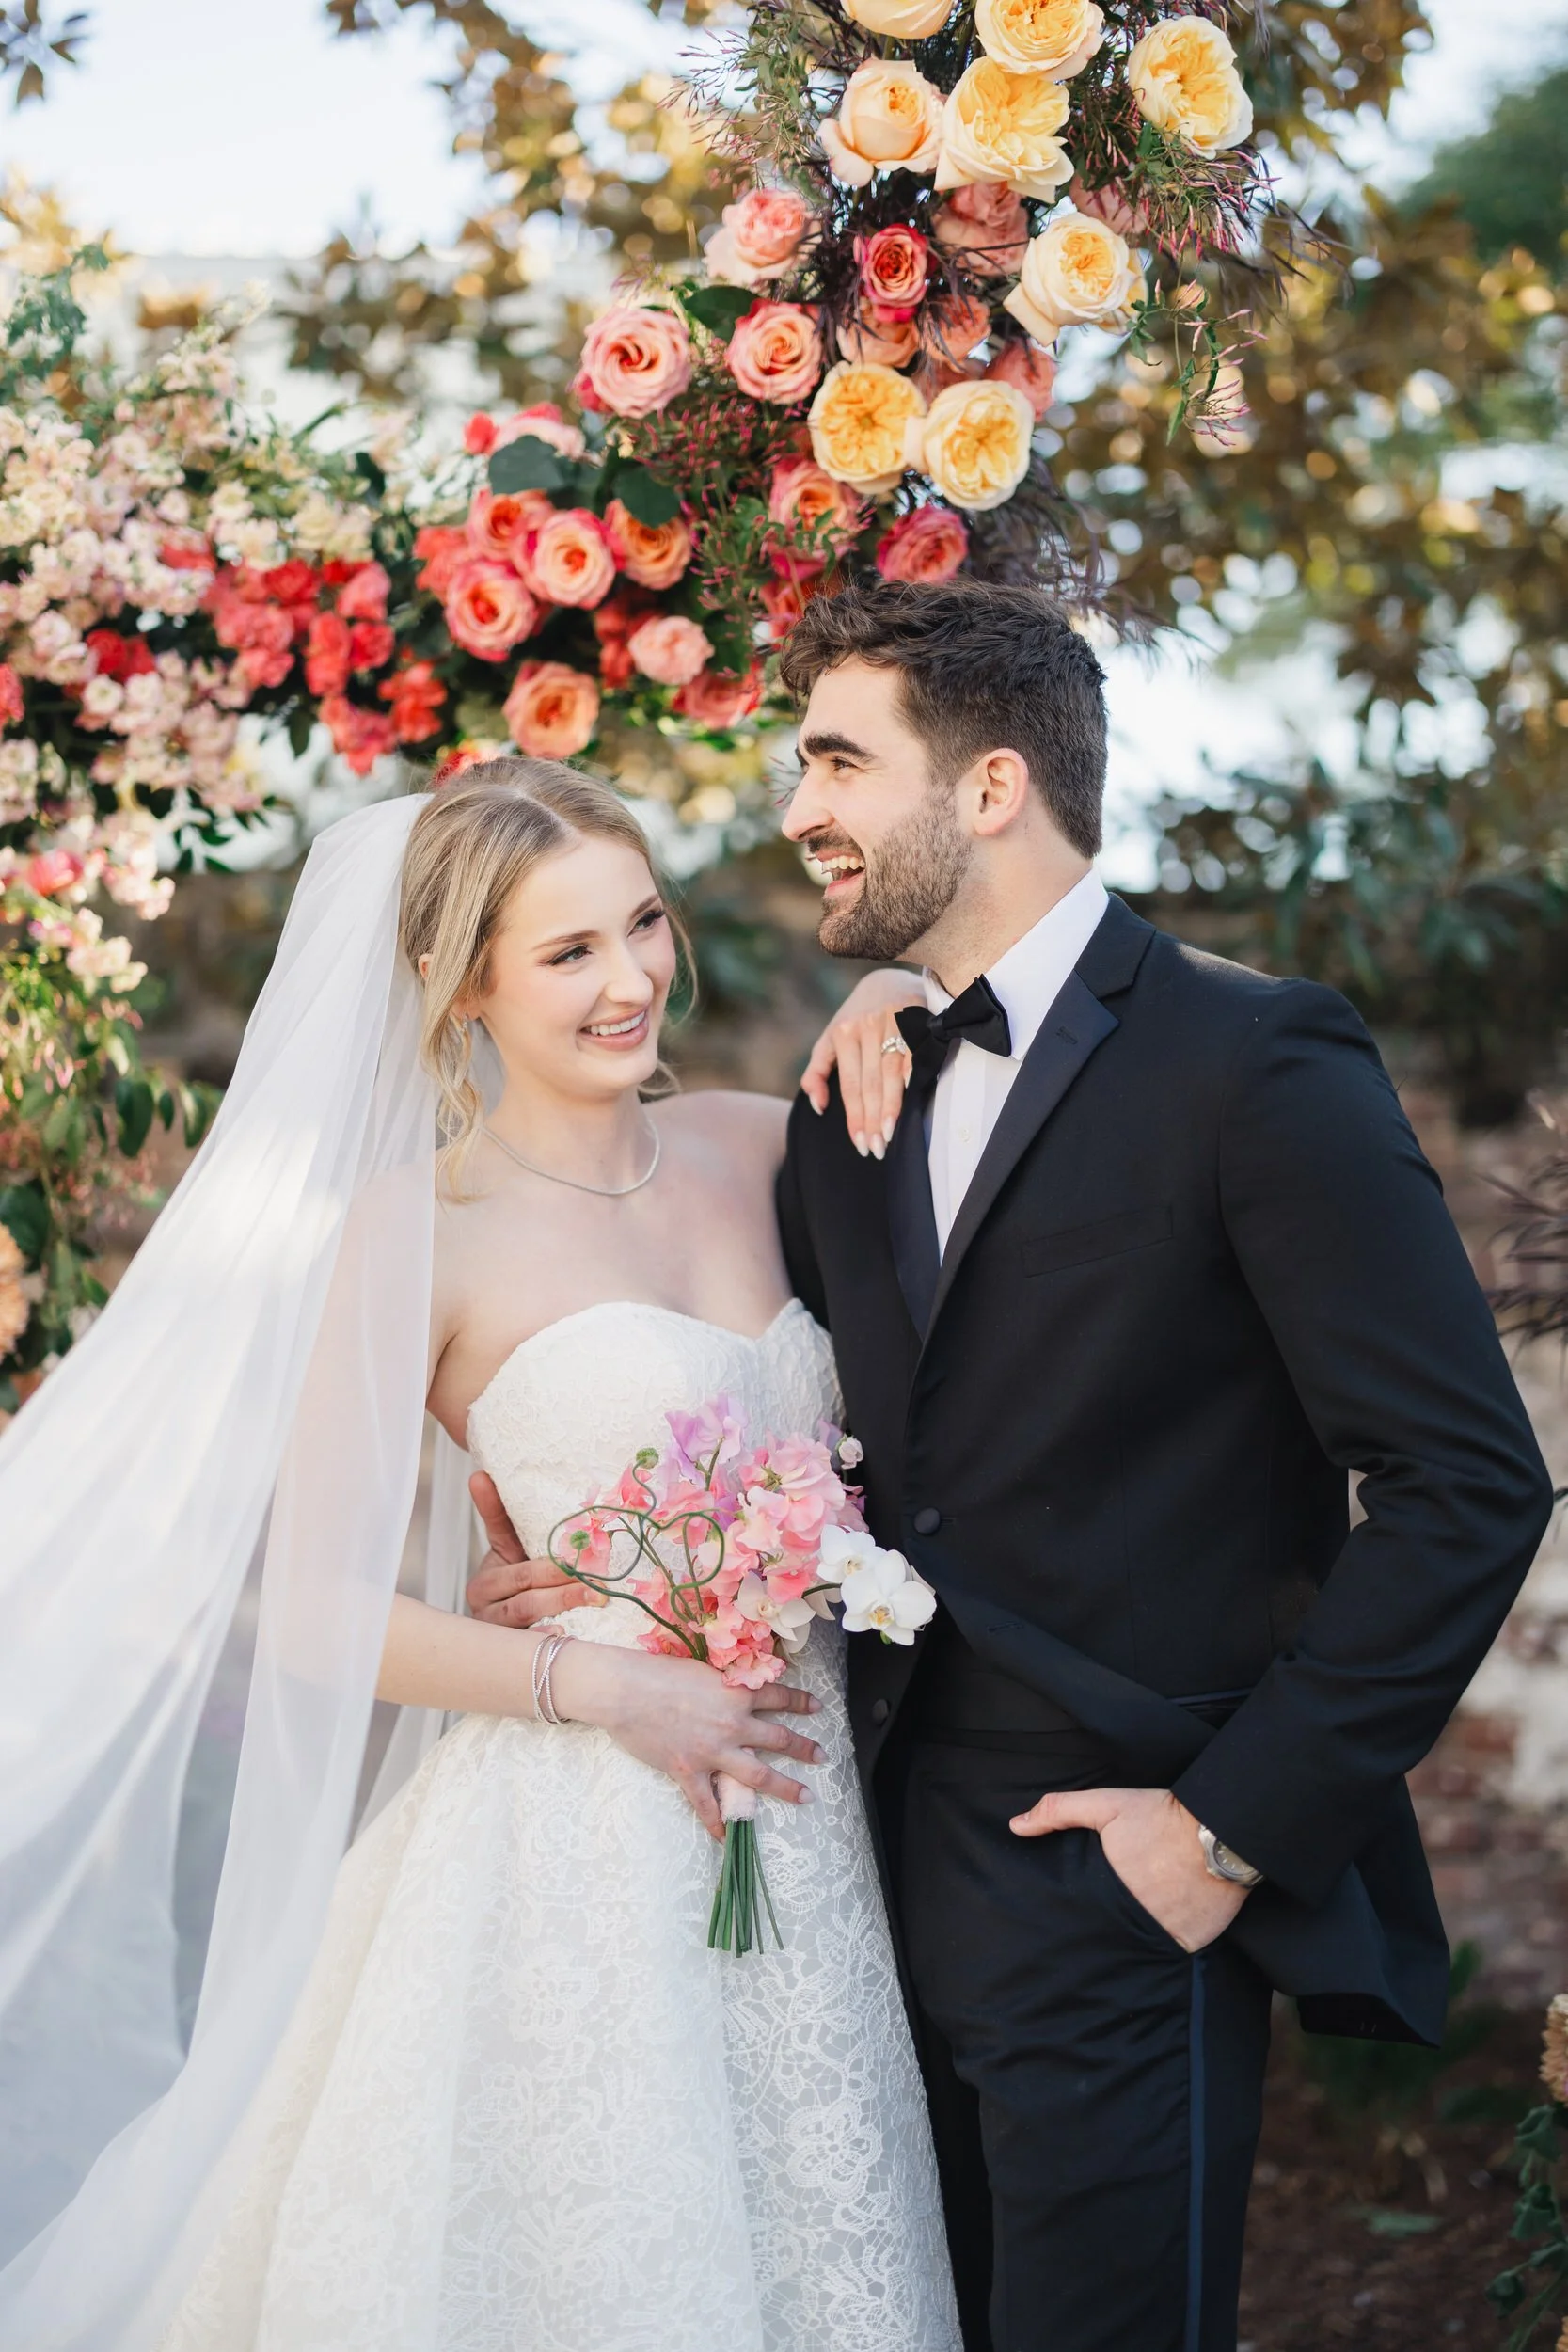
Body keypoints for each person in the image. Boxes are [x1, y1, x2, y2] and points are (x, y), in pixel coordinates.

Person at [478, 579, 1555, 2352]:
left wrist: (1225, 1831)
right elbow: (785, 1435)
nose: (795, 807)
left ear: (987, 789)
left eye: (836, 759)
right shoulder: (844, 1102)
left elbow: (1464, 1483)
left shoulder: (1254, 1057)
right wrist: (579, 1574)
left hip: (1120, 1872)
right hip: (843, 1883)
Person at [0, 762, 959, 2352]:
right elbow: (312, 1612)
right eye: (567, 952)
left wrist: (899, 988)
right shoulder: (411, 1231)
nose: (633, 977)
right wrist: (596, 1683)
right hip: (574, 1839)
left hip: (808, 1817)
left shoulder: (760, 1145)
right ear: (460, 988)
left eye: (643, 923)